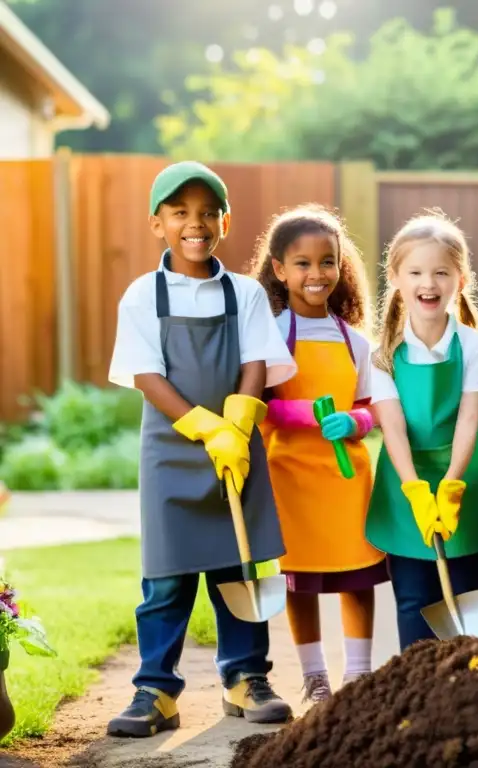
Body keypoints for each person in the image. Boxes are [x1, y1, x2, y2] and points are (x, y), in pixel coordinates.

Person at [106, 161, 296, 737]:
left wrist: (237, 426)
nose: (196, 223)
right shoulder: (143, 295)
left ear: (225, 221)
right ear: (157, 223)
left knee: (239, 566)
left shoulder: (243, 294)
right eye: (180, 213)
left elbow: (256, 360)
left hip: (235, 446)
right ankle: (155, 692)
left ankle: (245, 678)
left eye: (208, 212)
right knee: (165, 578)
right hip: (172, 449)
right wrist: (205, 428)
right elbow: (145, 374)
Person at [250, 204, 388, 704]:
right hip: (289, 475)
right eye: (302, 263)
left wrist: (354, 421)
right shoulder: (269, 336)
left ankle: (358, 674)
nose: (316, 273)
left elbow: (373, 409)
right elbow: (259, 407)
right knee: (298, 580)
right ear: (280, 270)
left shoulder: (355, 342)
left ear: (340, 268)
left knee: (357, 575)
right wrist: (301, 415)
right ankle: (315, 677)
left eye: (326, 262)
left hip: (346, 479)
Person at [366, 209, 478, 651]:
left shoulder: (475, 344)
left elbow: (468, 418)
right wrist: (415, 491)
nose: (429, 283)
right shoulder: (382, 351)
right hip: (405, 478)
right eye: (416, 272)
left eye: (442, 272)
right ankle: (420, 690)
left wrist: (451, 484)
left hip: (467, 477)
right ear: (396, 278)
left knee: (476, 593)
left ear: (460, 279)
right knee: (413, 597)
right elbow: (393, 427)